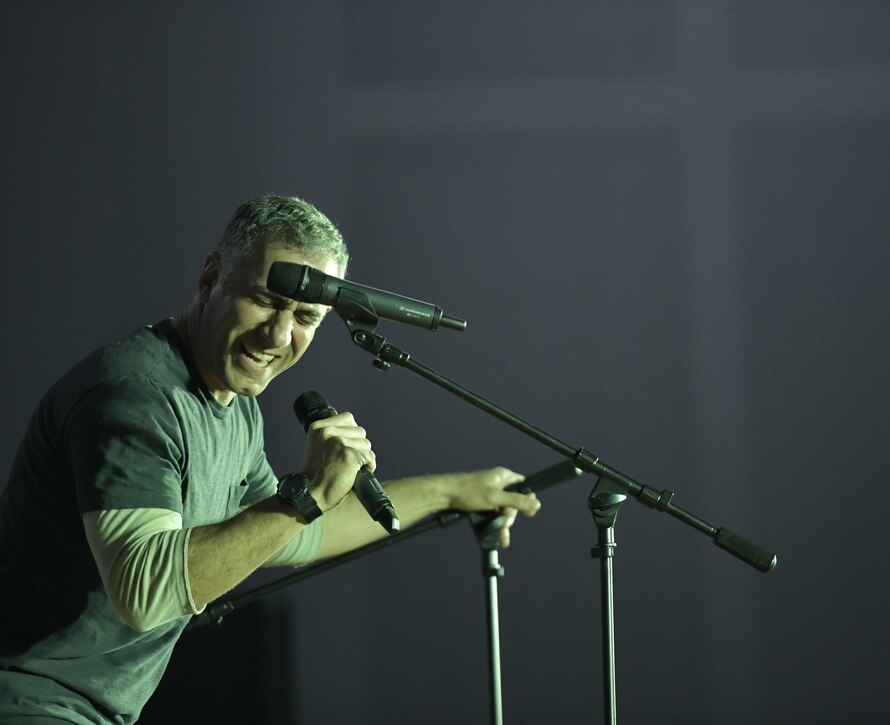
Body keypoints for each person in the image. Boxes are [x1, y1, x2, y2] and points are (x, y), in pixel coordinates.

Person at [0, 195, 541, 724]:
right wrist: (307, 493)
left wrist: (454, 491)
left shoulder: (233, 406)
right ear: (210, 275)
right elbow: (146, 592)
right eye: (265, 299)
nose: (279, 334)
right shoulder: (135, 395)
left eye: (306, 315)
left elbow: (299, 534)